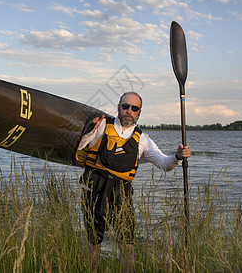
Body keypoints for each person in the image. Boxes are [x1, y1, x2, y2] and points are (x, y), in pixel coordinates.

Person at [75, 92, 191, 272]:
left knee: (127, 243)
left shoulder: (143, 140)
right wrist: (86, 132)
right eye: (125, 106)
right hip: (94, 188)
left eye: (134, 108)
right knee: (93, 242)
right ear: (118, 107)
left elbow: (164, 163)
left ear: (139, 112)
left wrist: (178, 157)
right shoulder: (100, 125)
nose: (129, 111)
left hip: (121, 193)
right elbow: (78, 149)